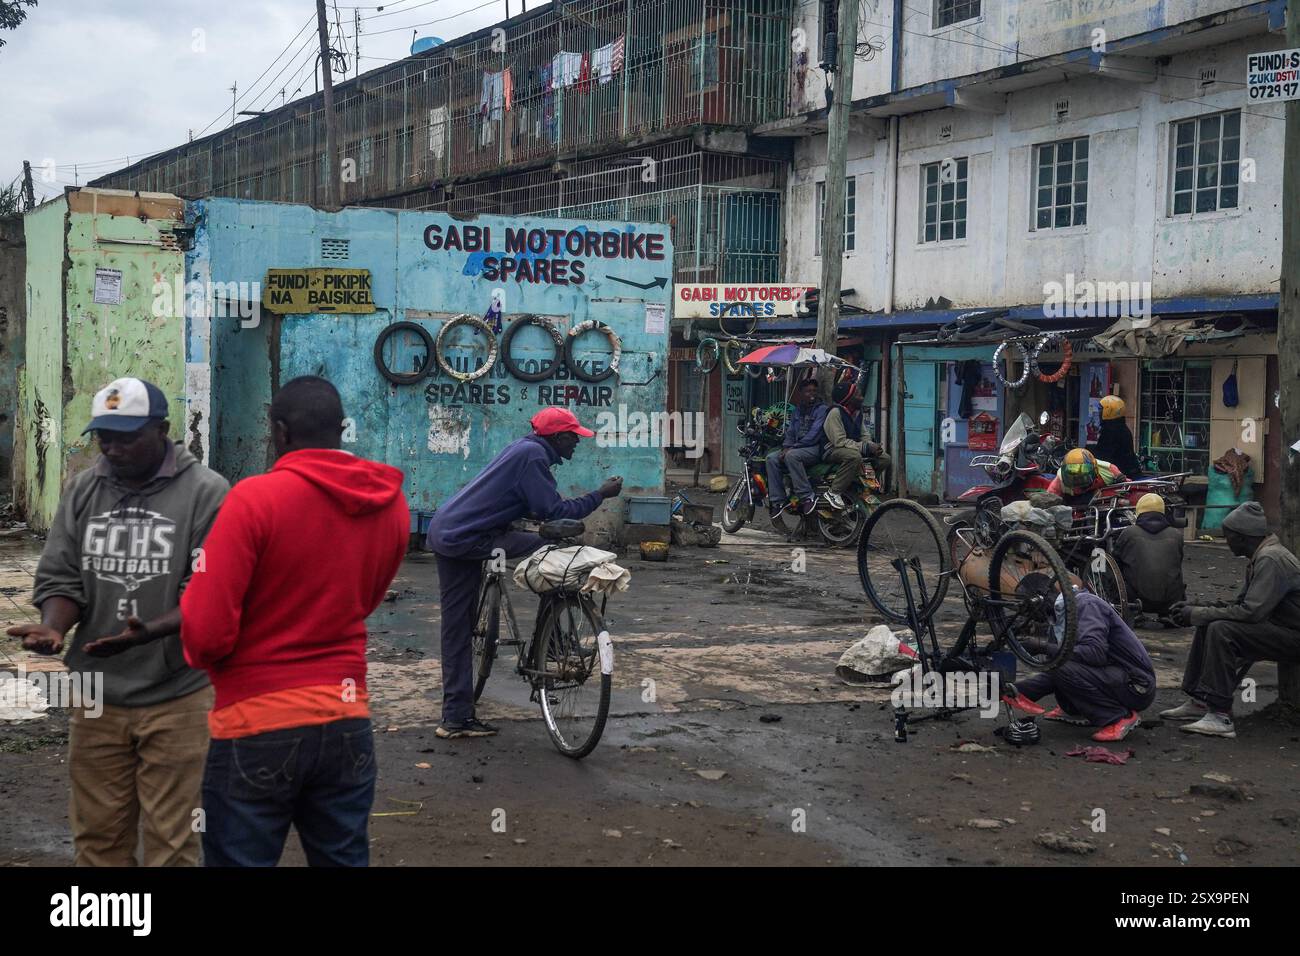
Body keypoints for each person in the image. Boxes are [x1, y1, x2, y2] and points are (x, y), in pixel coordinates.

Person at [167, 376, 408, 867]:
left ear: (278, 431)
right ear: (341, 428)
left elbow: (207, 632)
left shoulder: (253, 500)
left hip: (256, 722)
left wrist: (199, 647)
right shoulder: (391, 503)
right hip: (346, 719)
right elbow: (363, 600)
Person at [6, 377, 229, 866]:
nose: (112, 447)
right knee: (98, 840)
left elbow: (208, 592)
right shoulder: (84, 488)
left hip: (179, 695)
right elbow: (62, 575)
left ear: (163, 430)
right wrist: (54, 627)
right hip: (95, 695)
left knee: (174, 844)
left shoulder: (207, 492)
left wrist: (150, 632)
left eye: (126, 435)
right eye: (103, 435)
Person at [425, 407, 622, 739]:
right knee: (459, 627)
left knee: (459, 623)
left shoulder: (525, 449)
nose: (576, 444)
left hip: (456, 531)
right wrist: (599, 496)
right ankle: (457, 717)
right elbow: (553, 511)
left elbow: (533, 504)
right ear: (558, 437)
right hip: (464, 539)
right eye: (574, 438)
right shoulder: (532, 457)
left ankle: (553, 641)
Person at [1160, 501, 1300, 739]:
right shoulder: (1262, 555)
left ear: (1243, 537)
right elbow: (1240, 603)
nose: (1227, 542)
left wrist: (1196, 614)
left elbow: (1250, 613)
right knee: (1209, 623)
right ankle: (1200, 700)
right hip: (1278, 628)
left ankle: (1220, 714)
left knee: (1221, 629)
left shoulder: (1271, 559)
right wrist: (1197, 609)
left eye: (1229, 537)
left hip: (1292, 635)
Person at [1003, 590, 1156, 742]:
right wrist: (1015, 691)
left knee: (1060, 662)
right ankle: (1075, 710)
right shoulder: (1060, 617)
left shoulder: (1086, 604)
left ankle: (1118, 717)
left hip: (1136, 686)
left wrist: (1043, 646)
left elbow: (1093, 653)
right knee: (1058, 661)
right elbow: (1056, 672)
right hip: (1115, 677)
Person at [1112, 493, 1186, 623]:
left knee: (1115, 571)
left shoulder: (1129, 532)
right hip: (1171, 600)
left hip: (1136, 599)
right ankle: (1167, 613)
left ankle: (1135, 613)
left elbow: (1115, 563)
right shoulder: (1176, 534)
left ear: (1138, 510)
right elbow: (1177, 562)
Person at [765, 378, 829, 517]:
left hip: (814, 448)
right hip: (795, 447)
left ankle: (807, 496)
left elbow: (814, 435)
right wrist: (786, 446)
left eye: (813, 390)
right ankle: (778, 501)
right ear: (801, 393)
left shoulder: (822, 409)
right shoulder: (798, 410)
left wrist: (792, 448)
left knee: (791, 456)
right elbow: (791, 432)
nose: (811, 393)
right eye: (808, 391)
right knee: (771, 458)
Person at [823, 378, 891, 509]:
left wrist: (872, 447)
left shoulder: (857, 413)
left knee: (885, 458)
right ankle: (834, 492)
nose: (861, 397)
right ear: (848, 399)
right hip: (832, 450)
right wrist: (865, 447)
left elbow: (864, 435)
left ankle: (861, 485)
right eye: (858, 395)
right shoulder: (835, 413)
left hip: (851, 448)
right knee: (854, 456)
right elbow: (840, 441)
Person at [1045, 447, 1126, 504]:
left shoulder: (1108, 470)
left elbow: (1130, 487)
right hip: (1072, 503)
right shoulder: (1060, 480)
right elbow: (1049, 500)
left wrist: (1121, 479)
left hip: (1103, 503)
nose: (1078, 483)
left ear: (1095, 471)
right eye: (1073, 477)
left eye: (1082, 477)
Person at [1092, 395, 1144, 479]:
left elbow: (1102, 455)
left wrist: (1089, 455)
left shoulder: (1110, 431)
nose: (1099, 413)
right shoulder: (1121, 427)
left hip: (1121, 475)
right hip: (1129, 472)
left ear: (1108, 411)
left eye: (1101, 410)